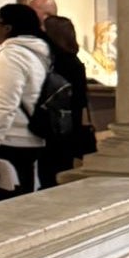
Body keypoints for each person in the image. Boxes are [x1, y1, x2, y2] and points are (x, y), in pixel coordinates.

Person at [0, 3, 51, 200]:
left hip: (9, 140)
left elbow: (6, 103)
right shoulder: (32, 52)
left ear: (7, 28)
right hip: (18, 138)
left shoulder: (11, 55)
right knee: (19, 198)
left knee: (8, 203)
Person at [40, 14, 92, 187]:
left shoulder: (55, 63)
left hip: (55, 126)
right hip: (70, 126)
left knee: (50, 175)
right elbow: (81, 101)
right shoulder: (75, 62)